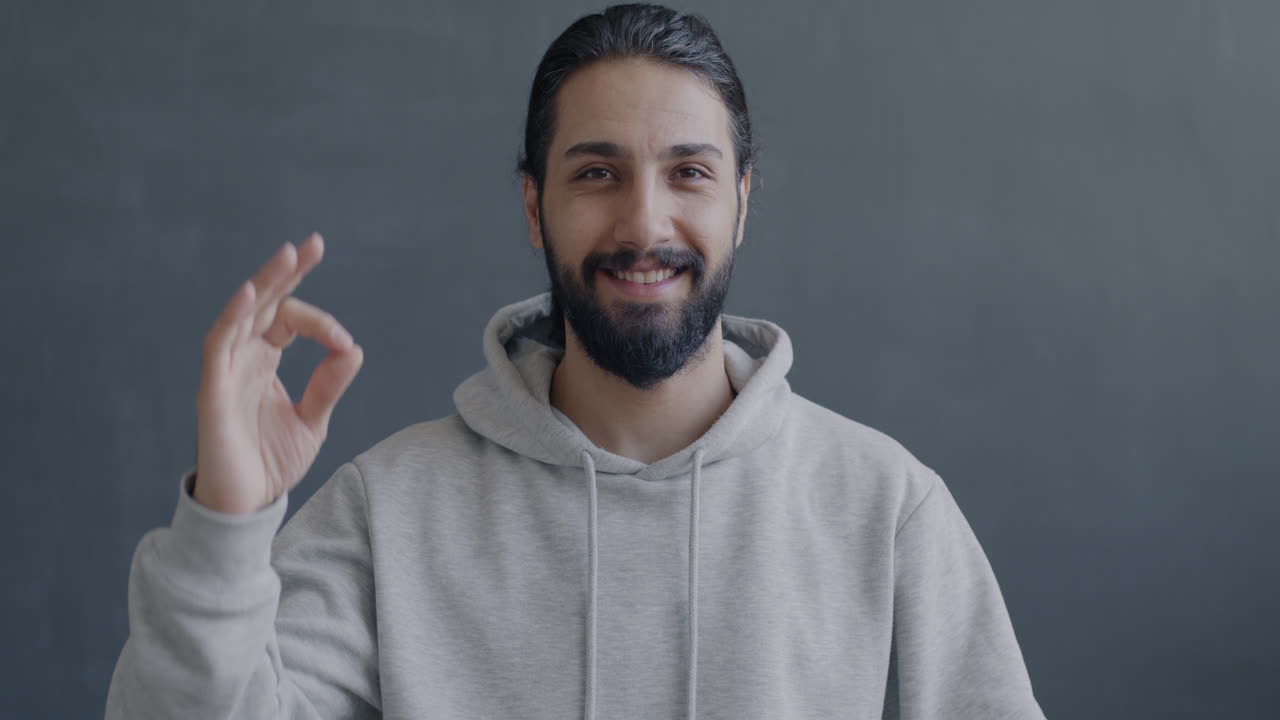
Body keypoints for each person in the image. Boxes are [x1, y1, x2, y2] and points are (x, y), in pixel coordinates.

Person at [106, 4, 1046, 718]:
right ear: (532, 206)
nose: (644, 223)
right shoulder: (386, 514)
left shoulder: (887, 511)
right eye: (597, 173)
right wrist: (228, 525)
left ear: (743, 204)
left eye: (689, 173)